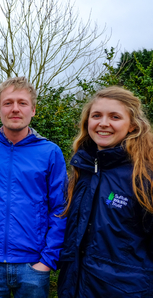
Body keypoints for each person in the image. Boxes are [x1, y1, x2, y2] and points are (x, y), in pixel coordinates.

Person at [0, 77, 67, 298]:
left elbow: (60, 208)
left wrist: (48, 259)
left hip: (33, 264)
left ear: (34, 110)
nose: (15, 109)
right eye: (8, 103)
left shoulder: (50, 152)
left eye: (22, 103)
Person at [57, 86, 153, 297]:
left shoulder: (144, 177)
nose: (103, 123)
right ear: (87, 122)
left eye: (115, 117)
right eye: (96, 115)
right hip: (75, 287)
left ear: (132, 126)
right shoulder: (83, 171)